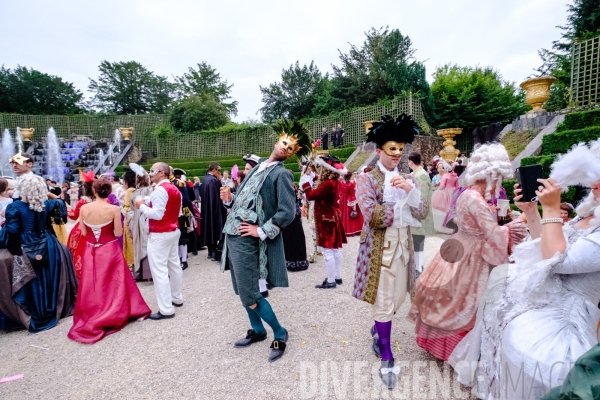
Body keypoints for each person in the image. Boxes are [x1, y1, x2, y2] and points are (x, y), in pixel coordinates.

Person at [450, 138, 600, 399]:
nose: (594, 183)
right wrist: (532, 212)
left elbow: (555, 258)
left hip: (563, 322)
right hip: (540, 298)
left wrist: (550, 208)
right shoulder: (586, 216)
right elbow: (545, 246)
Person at [408, 124, 527, 363]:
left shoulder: (470, 194)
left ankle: (442, 346)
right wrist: (520, 221)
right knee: (464, 302)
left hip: (458, 245)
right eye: (498, 176)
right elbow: (492, 234)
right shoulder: (476, 199)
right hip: (472, 254)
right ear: (492, 174)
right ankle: (457, 352)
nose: (499, 181)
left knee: (448, 295)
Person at [220, 122, 311, 362]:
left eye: (290, 148)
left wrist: (261, 230)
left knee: (250, 293)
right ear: (276, 142)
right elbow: (244, 200)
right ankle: (259, 331)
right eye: (284, 143)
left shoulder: (282, 173)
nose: (285, 149)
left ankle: (280, 332)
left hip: (248, 238)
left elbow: (288, 211)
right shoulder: (257, 166)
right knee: (242, 288)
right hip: (233, 233)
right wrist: (230, 200)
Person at [352, 114, 429, 389]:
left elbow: (422, 212)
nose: (397, 154)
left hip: (403, 249)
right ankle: (387, 354)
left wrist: (410, 189)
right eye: (391, 148)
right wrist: (397, 202)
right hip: (379, 252)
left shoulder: (409, 178)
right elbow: (372, 216)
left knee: (397, 299)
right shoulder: (366, 180)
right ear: (379, 150)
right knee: (383, 304)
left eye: (400, 148)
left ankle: (378, 328)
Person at [68, 178, 150, 344]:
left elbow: (84, 232)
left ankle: (95, 311)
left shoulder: (84, 208)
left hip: (91, 248)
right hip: (109, 247)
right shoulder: (113, 209)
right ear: (109, 191)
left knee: (93, 282)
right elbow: (118, 233)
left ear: (94, 190)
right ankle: (115, 310)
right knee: (115, 281)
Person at [0, 172, 77, 333]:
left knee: (32, 281)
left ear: (22, 188)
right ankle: (54, 306)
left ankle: (35, 311)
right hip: (48, 244)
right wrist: (47, 193)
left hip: (25, 245)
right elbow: (61, 203)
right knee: (48, 276)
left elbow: (12, 232)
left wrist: (15, 251)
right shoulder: (47, 204)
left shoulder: (14, 207)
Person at [134, 162, 183, 320]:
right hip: (173, 230)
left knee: (160, 271)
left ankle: (166, 309)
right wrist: (147, 200)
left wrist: (141, 206)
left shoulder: (160, 190)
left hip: (160, 234)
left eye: (153, 170)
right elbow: (177, 211)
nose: (150, 173)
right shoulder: (174, 188)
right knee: (174, 265)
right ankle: (176, 298)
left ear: (162, 173)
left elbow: (157, 214)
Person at [303, 155, 348, 289]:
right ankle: (337, 276)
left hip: (325, 220)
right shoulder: (334, 181)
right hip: (331, 217)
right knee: (335, 250)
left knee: (328, 251)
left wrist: (305, 182)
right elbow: (320, 185)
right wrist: (312, 176)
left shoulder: (328, 184)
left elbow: (311, 195)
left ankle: (331, 280)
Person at [408, 152, 434, 276]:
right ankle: (416, 265)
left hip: (419, 214)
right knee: (414, 240)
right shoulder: (416, 174)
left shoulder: (421, 175)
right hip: (415, 213)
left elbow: (421, 196)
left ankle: (418, 268)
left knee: (418, 240)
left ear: (410, 162)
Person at [66, 170, 95, 279]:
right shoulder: (101, 200)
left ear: (85, 188)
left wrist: (67, 209)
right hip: (98, 228)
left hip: (83, 229)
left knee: (79, 254)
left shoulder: (83, 201)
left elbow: (73, 216)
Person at [128, 163, 153, 281]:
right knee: (151, 245)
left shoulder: (134, 193)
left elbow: (132, 211)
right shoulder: (152, 190)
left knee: (140, 246)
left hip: (137, 222)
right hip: (149, 219)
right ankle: (151, 273)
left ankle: (141, 272)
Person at [200, 163, 227, 261]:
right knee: (215, 228)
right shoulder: (214, 180)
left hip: (207, 209)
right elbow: (219, 196)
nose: (219, 172)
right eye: (218, 170)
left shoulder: (205, 179)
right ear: (214, 170)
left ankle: (210, 251)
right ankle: (214, 251)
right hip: (215, 209)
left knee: (208, 227)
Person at [172, 167, 194, 270]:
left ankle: (183, 260)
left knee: (183, 236)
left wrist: (190, 212)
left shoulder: (179, 183)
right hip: (171, 214)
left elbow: (186, 199)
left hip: (180, 213)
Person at [431, 160, 456, 233]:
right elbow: (457, 186)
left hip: (445, 193)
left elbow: (442, 186)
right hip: (453, 193)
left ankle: (441, 226)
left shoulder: (445, 176)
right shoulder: (455, 176)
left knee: (442, 209)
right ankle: (451, 227)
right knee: (450, 209)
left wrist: (437, 190)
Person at [338, 172, 363, 237]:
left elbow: (340, 192)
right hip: (348, 200)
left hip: (343, 200)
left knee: (344, 215)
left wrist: (339, 198)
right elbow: (352, 194)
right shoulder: (350, 184)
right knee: (348, 216)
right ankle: (349, 230)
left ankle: (344, 230)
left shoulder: (341, 183)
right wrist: (354, 204)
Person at [121, 170, 136, 268]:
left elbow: (127, 208)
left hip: (130, 219)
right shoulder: (136, 189)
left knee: (130, 241)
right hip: (137, 218)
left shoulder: (129, 191)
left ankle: (133, 263)